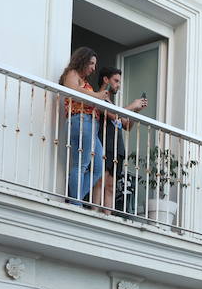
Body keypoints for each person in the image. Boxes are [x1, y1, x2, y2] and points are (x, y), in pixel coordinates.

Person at [59, 48, 108, 209]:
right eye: (91, 63)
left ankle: (76, 199)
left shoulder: (84, 81)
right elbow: (73, 91)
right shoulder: (72, 73)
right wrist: (97, 96)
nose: (93, 68)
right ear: (83, 60)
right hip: (81, 120)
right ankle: (75, 203)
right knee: (81, 164)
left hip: (91, 123)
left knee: (98, 168)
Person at [95, 66, 147, 212]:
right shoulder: (98, 97)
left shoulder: (112, 103)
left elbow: (126, 125)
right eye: (116, 81)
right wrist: (131, 106)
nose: (118, 85)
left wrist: (136, 111)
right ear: (106, 79)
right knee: (100, 181)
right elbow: (115, 115)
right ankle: (94, 212)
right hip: (104, 144)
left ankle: (107, 217)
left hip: (117, 148)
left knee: (111, 186)